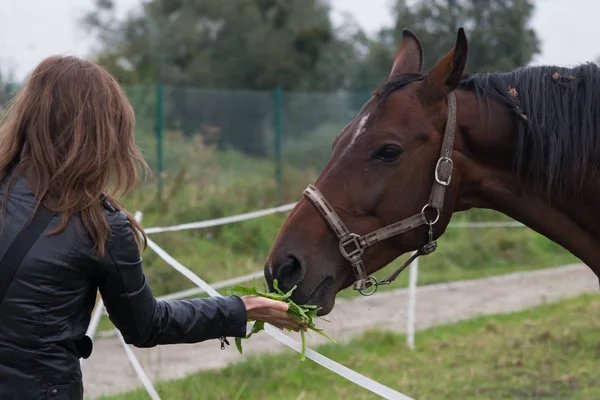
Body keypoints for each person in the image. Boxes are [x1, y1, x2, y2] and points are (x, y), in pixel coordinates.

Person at [0, 55, 302, 400]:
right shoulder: (99, 225)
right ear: (105, 132)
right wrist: (241, 308)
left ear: (28, 117)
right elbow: (146, 325)